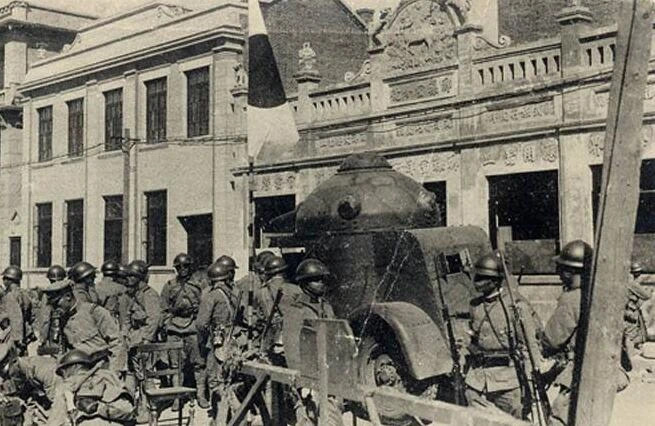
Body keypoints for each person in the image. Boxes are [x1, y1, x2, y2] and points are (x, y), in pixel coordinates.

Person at [464, 253, 542, 419]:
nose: (477, 281)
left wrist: (531, 379)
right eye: (477, 276)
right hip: (478, 379)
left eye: (483, 277)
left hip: (507, 380)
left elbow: (528, 345)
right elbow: (472, 337)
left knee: (514, 418)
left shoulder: (515, 306)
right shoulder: (475, 306)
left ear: (495, 281)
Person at [41, 280, 125, 373]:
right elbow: (62, 349)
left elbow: (117, 341)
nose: (54, 308)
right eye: (52, 305)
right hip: (78, 370)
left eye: (56, 303)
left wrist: (115, 371)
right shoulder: (63, 319)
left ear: (68, 296)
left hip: (101, 367)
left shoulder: (94, 312)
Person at [160, 253, 207, 409]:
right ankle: (177, 397)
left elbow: (204, 307)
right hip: (174, 328)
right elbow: (163, 308)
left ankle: (200, 395)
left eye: (186, 266)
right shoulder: (169, 286)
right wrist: (167, 323)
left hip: (192, 327)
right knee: (175, 365)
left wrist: (199, 323)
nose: (183, 269)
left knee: (199, 363)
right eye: (179, 267)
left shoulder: (199, 285)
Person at [196, 262, 240, 422]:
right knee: (229, 378)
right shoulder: (233, 294)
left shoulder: (211, 296)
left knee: (215, 380)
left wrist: (204, 340)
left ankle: (220, 417)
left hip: (217, 341)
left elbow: (201, 324)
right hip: (233, 340)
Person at [49, 349, 135, 425]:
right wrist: (99, 408)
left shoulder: (66, 386)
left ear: (75, 367)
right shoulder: (108, 377)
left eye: (63, 371)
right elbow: (129, 412)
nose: (63, 376)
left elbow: (55, 422)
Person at [121, 259, 162, 417]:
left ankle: (149, 408)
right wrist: (125, 335)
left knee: (146, 375)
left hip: (144, 340)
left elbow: (154, 320)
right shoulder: (130, 295)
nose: (129, 279)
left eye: (132, 276)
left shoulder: (149, 295)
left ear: (140, 277)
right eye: (128, 276)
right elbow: (125, 319)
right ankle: (130, 407)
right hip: (132, 340)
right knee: (131, 374)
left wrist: (146, 341)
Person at [2, 265, 36, 353]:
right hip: (23, 332)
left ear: (9, 280)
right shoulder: (24, 294)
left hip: (12, 334)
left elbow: (16, 317)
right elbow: (32, 315)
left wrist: (17, 339)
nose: (3, 280)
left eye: (5, 278)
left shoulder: (10, 296)